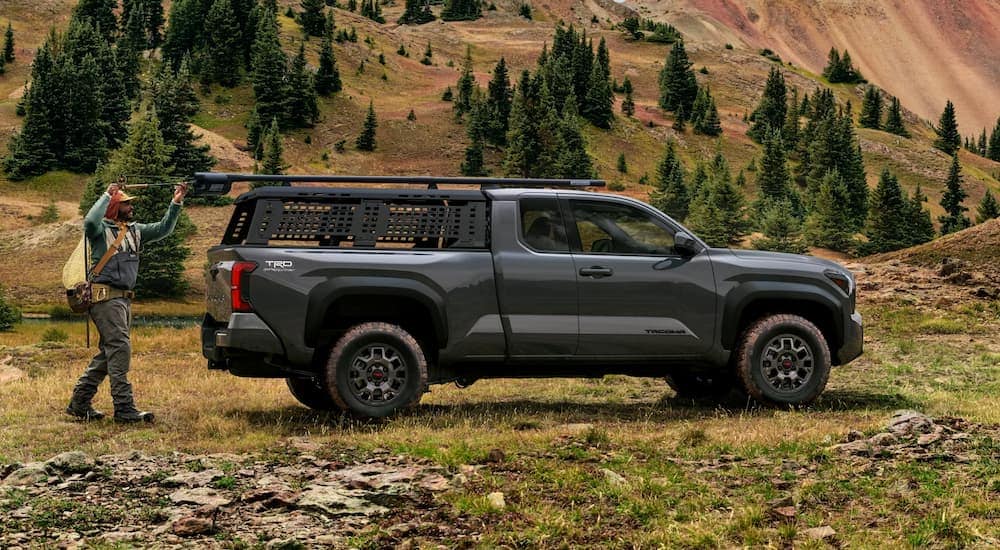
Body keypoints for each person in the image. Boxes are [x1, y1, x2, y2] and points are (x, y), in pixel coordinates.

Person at [66, 181, 188, 423]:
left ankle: (79, 403)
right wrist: (106, 195)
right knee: (120, 349)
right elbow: (89, 221)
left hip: (122, 301)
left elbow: (164, 229)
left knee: (109, 352)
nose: (131, 207)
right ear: (113, 207)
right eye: (126, 204)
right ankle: (124, 408)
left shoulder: (135, 230)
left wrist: (176, 202)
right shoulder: (99, 231)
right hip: (105, 299)